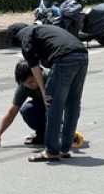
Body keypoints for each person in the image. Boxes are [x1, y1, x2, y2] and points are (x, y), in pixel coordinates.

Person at [7, 23, 89, 161]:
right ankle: (64, 148)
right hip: (82, 54)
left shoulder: (25, 36)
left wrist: (44, 90)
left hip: (64, 58)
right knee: (73, 103)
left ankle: (51, 151)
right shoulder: (41, 30)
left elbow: (34, 66)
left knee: (53, 105)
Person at [0, 60, 47, 148]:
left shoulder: (51, 78)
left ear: (39, 73)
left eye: (31, 82)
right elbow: (12, 111)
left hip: (60, 105)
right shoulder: (24, 86)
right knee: (27, 109)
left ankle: (59, 131)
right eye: (25, 84)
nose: (29, 85)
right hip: (42, 105)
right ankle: (42, 134)